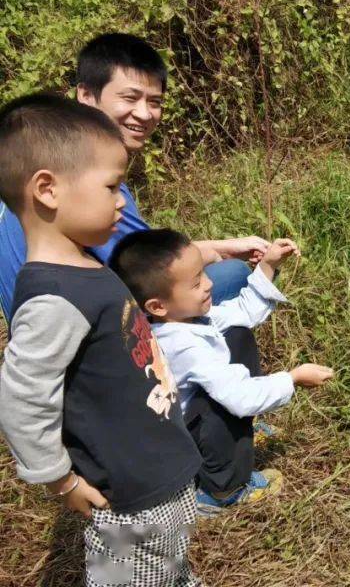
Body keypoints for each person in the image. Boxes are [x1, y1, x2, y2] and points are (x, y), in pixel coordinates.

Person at [0, 93, 203, 585]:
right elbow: (22, 398)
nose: (121, 200)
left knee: (167, 564)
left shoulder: (86, 262)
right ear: (47, 190)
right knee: (132, 573)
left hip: (155, 470)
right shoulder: (54, 298)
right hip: (128, 496)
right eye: (113, 186)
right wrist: (58, 478)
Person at [0, 32, 268, 320]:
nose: (144, 113)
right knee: (233, 276)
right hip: (96, 338)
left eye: (155, 102)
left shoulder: (44, 158)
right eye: (130, 98)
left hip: (48, 320)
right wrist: (224, 253)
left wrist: (220, 247)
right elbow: (152, 268)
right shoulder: (83, 179)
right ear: (86, 95)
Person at [110, 229, 334, 515]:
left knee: (237, 333)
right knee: (226, 405)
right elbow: (241, 397)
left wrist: (268, 265)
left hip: (178, 425)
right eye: (196, 283)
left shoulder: (179, 319)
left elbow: (242, 312)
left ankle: (236, 439)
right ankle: (222, 489)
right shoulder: (186, 347)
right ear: (157, 305)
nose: (209, 284)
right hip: (178, 441)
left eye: (204, 274)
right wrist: (293, 378)